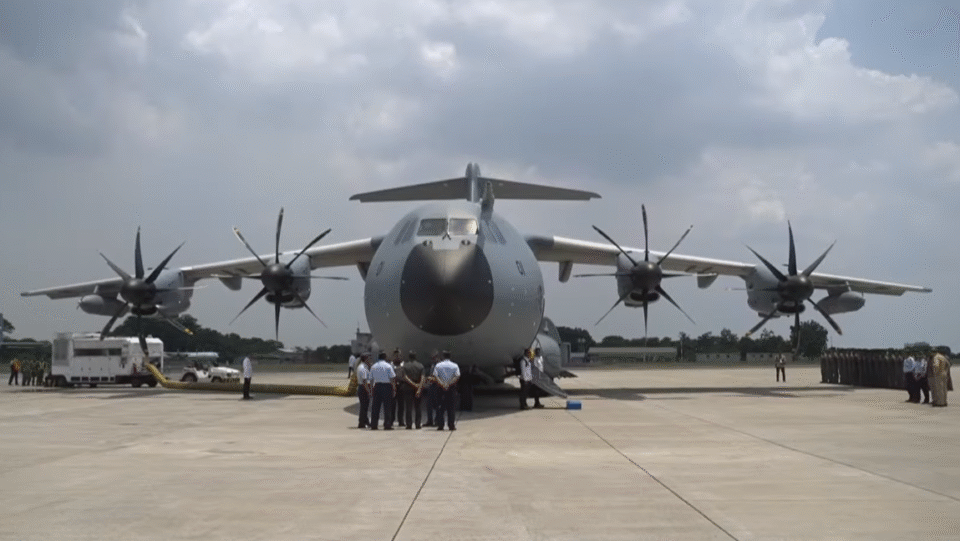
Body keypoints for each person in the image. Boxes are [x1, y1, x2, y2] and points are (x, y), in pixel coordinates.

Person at [431, 351, 460, 431]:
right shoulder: (455, 365)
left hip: (440, 389)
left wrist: (442, 384)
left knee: (440, 408)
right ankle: (451, 425)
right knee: (451, 408)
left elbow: (435, 377)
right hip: (451, 389)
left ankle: (441, 425)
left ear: (443, 357)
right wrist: (448, 384)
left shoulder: (438, 365)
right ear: (450, 356)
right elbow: (457, 376)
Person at [369, 352, 397, 430]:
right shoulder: (388, 366)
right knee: (387, 407)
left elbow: (371, 379)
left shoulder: (373, 366)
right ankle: (387, 425)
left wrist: (371, 389)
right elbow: (392, 378)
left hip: (377, 386)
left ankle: (374, 425)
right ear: (385, 358)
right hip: (387, 387)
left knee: (375, 407)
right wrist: (394, 389)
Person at [401, 351, 425, 429]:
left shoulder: (405, 366)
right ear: (415, 357)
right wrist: (419, 388)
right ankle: (418, 424)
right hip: (418, 386)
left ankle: (409, 424)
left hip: (408, 387)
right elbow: (423, 378)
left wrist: (413, 384)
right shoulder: (420, 366)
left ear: (409, 357)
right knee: (418, 407)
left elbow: (405, 377)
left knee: (408, 407)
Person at [424, 350, 440, 427]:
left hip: (437, 385)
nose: (432, 358)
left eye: (433, 357)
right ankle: (429, 420)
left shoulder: (439, 365)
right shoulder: (433, 364)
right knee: (429, 404)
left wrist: (432, 378)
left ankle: (437, 420)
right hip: (431, 385)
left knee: (437, 404)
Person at [356, 353, 372, 428]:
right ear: (365, 359)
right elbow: (365, 381)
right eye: (369, 358)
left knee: (364, 406)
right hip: (363, 388)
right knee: (364, 407)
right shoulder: (363, 368)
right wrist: (369, 391)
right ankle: (361, 423)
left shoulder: (360, 366)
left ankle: (365, 421)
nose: (370, 360)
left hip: (361, 387)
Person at [391, 348, 405, 426]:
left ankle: (401, 421)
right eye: (396, 355)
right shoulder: (391, 365)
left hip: (401, 386)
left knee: (401, 405)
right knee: (392, 405)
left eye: (398, 355)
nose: (397, 357)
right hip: (393, 385)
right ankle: (391, 420)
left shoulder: (403, 364)